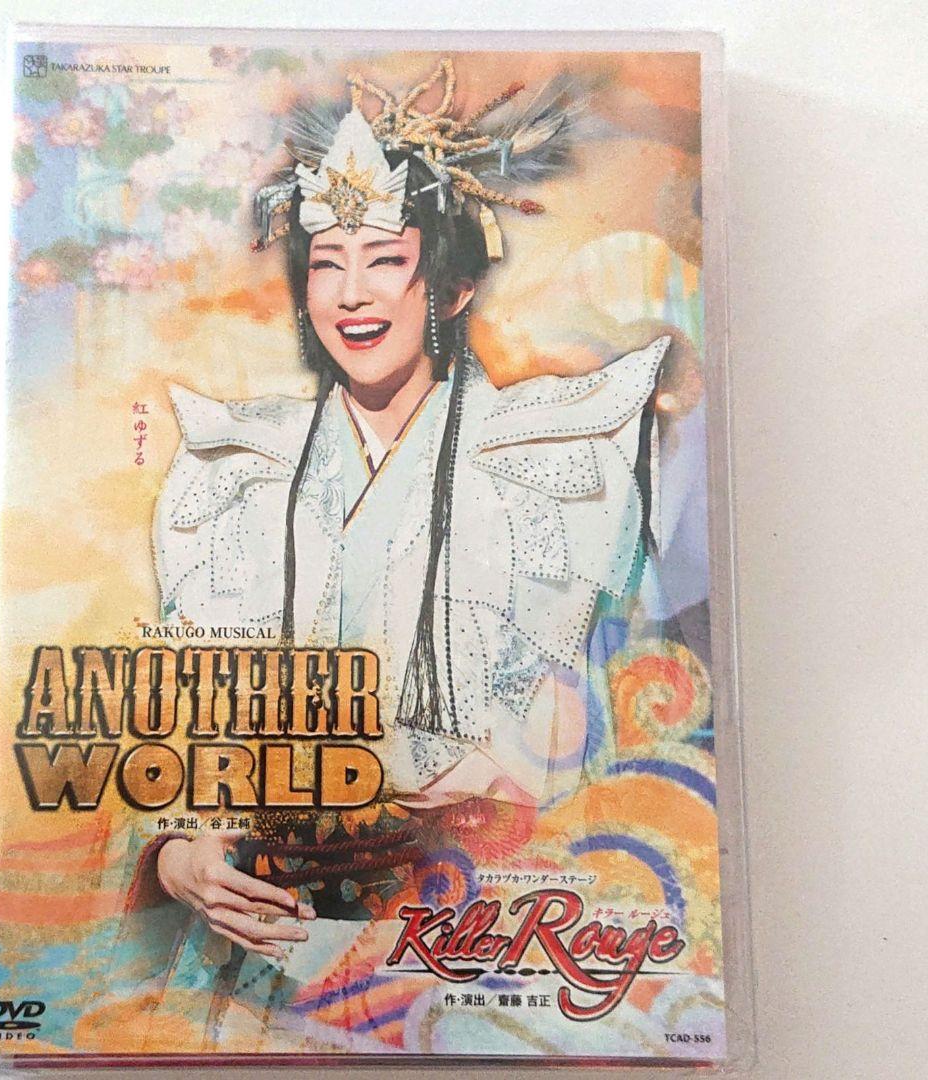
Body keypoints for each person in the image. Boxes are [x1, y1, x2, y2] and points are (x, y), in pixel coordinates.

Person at [126, 58, 670, 1019]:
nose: (351, 293)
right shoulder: (233, 466)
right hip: (256, 943)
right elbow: (168, 726)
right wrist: (177, 856)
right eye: (325, 263)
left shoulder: (560, 460)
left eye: (384, 259)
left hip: (477, 940)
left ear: (451, 288)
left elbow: (627, 724)